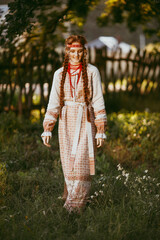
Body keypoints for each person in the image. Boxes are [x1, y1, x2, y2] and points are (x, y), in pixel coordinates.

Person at [41, 35, 107, 214]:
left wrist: (100, 129)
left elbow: (98, 99)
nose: (76, 55)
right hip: (65, 123)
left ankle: (73, 208)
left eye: (80, 52)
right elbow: (54, 101)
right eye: (73, 51)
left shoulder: (92, 71)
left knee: (82, 163)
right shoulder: (59, 73)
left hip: (86, 120)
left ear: (84, 52)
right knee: (69, 164)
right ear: (67, 51)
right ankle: (71, 201)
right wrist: (48, 128)